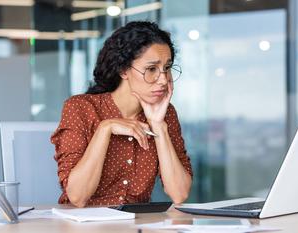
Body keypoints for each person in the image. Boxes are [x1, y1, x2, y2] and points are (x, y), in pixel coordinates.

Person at [51, 21, 193, 207]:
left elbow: (179, 194)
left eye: (166, 68)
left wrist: (159, 126)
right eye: (151, 69)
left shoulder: (166, 114)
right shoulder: (80, 108)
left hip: (137, 225)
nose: (163, 80)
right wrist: (105, 128)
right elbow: (78, 197)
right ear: (123, 70)